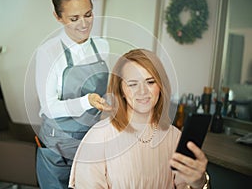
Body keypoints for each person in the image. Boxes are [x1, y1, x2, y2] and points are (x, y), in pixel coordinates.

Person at [69, 49, 210, 189]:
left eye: (150, 82)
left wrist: (199, 183)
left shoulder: (174, 137)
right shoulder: (99, 137)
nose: (142, 91)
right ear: (121, 90)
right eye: (132, 84)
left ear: (161, 86)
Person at [35, 0, 111, 188]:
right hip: (58, 148)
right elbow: (49, 107)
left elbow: (104, 90)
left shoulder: (102, 46)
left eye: (88, 14)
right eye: (74, 18)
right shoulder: (48, 52)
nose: (84, 24)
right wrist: (87, 101)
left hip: (91, 143)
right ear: (58, 17)